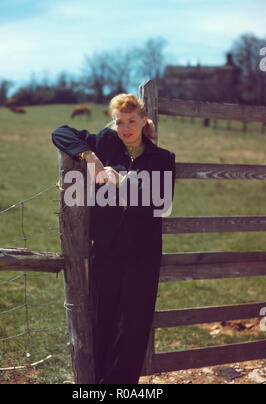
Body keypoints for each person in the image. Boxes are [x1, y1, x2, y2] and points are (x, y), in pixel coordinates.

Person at [51, 93, 176, 384]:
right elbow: (60, 132)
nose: (125, 128)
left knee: (133, 329)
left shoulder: (162, 159)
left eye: (132, 121)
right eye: (120, 122)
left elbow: (161, 203)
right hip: (106, 251)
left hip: (142, 256)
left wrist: (121, 180)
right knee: (101, 321)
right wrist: (90, 157)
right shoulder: (106, 145)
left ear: (144, 121)